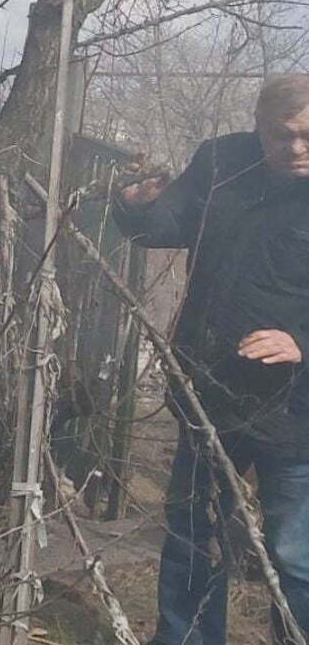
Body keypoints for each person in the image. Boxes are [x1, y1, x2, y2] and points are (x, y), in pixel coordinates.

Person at [116, 74, 309, 645]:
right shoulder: (223, 162)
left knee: (295, 551)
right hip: (211, 389)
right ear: (257, 125)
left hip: (295, 409)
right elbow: (168, 226)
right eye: (282, 136)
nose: (295, 149)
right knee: (193, 536)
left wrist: (303, 341)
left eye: (307, 136)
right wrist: (138, 207)